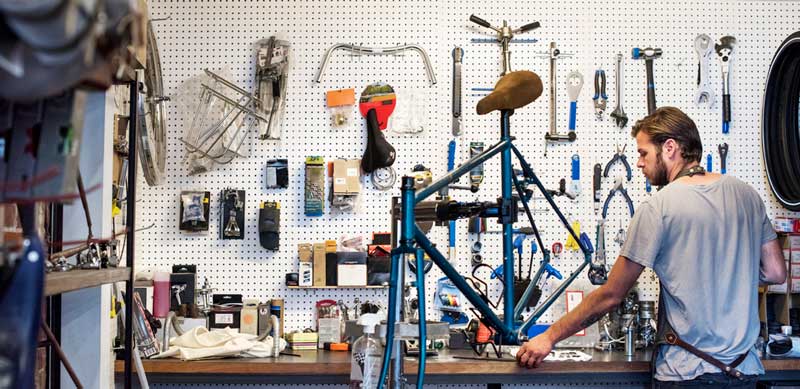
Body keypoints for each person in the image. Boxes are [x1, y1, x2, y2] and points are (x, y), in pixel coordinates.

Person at [516, 107, 786, 387]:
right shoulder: (747, 196)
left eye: (644, 153)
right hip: (746, 371)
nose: (639, 163)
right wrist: (730, 273)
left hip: (686, 375)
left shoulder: (658, 206)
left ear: (670, 148)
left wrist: (548, 337)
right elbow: (776, 272)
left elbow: (611, 295)